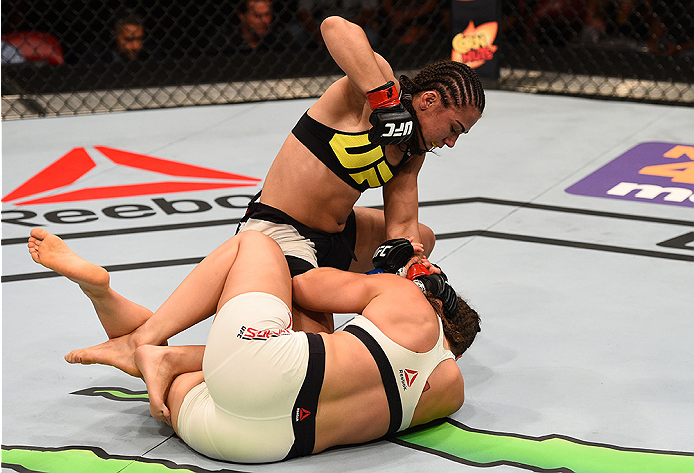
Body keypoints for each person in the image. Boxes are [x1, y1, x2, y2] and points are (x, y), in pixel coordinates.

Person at [27, 227, 481, 463]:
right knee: (237, 362)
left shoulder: (410, 302)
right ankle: (153, 353)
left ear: (439, 306)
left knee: (257, 246)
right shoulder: (450, 392)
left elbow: (301, 285)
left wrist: (381, 279)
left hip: (267, 370)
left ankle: (138, 337)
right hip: (251, 443)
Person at [237, 15, 486, 333]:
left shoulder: (412, 151)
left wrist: (418, 269)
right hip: (282, 231)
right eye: (454, 128)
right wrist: (384, 103)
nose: (451, 143)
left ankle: (370, 305)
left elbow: (403, 227)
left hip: (334, 238)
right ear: (429, 100)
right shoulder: (375, 89)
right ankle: (321, 295)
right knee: (314, 350)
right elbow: (334, 26)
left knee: (423, 239)